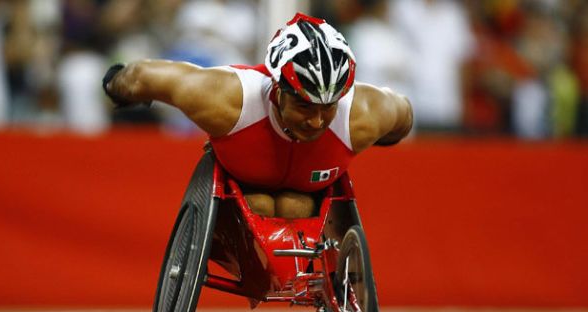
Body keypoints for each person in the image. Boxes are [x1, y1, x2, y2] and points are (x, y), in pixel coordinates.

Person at [102, 12, 413, 218]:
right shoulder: (228, 99)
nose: (317, 121)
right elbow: (144, 77)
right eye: (305, 106)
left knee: (294, 206)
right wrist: (115, 85)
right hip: (244, 187)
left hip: (309, 194)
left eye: (328, 108)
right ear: (278, 92)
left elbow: (403, 116)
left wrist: (374, 139)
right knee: (261, 205)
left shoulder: (363, 114)